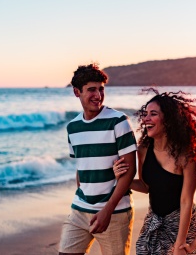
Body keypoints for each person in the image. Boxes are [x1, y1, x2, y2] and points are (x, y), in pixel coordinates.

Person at [113, 88, 196, 255]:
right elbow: (146, 186)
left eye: (153, 114)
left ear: (169, 120)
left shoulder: (186, 155)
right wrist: (122, 178)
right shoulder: (143, 149)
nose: (146, 118)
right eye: (145, 113)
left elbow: (186, 201)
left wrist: (180, 244)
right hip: (154, 220)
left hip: (182, 224)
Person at [58, 63, 138, 255]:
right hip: (80, 208)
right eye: (91, 90)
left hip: (115, 211)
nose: (98, 95)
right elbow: (82, 166)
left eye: (101, 89)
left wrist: (107, 210)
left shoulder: (118, 122)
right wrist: (82, 193)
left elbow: (130, 170)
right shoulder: (73, 127)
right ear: (77, 92)